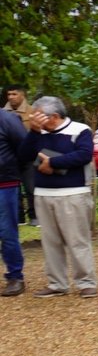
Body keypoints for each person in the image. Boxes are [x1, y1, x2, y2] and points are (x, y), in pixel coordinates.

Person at [19, 96, 95, 296]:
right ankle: (57, 284)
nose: (34, 118)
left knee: (77, 240)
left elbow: (84, 155)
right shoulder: (37, 133)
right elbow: (24, 156)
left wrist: (52, 163)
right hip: (43, 193)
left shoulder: (80, 130)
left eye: (38, 115)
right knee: (50, 242)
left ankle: (86, 282)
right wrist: (34, 132)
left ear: (53, 116)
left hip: (73, 193)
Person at [0, 100, 25, 296]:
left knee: (7, 232)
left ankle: (15, 276)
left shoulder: (7, 119)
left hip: (5, 184)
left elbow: (23, 148)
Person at [5, 83, 35, 227]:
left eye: (14, 94)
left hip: (29, 157)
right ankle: (19, 218)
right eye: (9, 94)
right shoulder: (3, 113)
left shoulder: (33, 111)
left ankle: (34, 216)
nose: (11, 97)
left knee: (31, 187)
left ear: (22, 95)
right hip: (10, 158)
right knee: (13, 190)